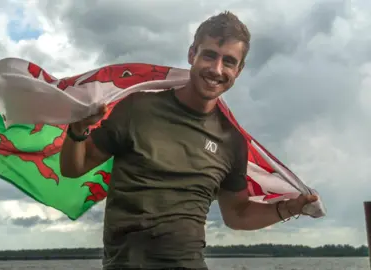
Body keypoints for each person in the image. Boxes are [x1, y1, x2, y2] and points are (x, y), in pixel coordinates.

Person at [60, 11, 318, 270]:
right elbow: (74, 168)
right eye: (209, 55)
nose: (217, 69)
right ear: (192, 54)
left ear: (239, 70)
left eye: (229, 61)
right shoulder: (137, 109)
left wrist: (290, 208)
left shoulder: (232, 141)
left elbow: (237, 214)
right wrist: (77, 130)